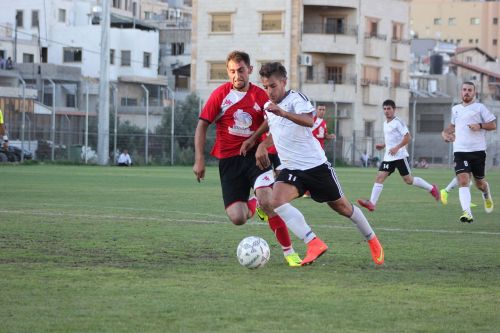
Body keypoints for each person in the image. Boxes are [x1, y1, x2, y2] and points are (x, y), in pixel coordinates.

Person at [247, 62, 384, 266]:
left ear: (283, 82)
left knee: (343, 208)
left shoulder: (296, 98)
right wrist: (259, 143)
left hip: (316, 167)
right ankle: (313, 243)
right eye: (265, 87)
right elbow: (272, 124)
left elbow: (309, 120)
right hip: (291, 169)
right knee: (276, 201)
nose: (269, 91)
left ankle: (372, 240)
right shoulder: (269, 107)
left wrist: (283, 112)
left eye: (273, 86)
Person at [193, 51, 301, 267]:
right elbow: (202, 125)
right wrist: (199, 159)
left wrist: (256, 141)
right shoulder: (220, 95)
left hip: (255, 158)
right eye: (232, 71)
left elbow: (274, 123)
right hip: (229, 161)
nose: (237, 75)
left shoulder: (260, 96)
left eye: (241, 70)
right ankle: (255, 204)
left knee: (269, 201)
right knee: (238, 217)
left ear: (249, 70)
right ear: (228, 72)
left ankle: (290, 253)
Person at [357, 99, 440, 212]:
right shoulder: (385, 123)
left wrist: (397, 147)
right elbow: (392, 139)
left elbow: (407, 137)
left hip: (400, 156)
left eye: (389, 109)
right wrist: (383, 145)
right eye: (385, 109)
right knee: (380, 177)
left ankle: (431, 188)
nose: (386, 111)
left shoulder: (398, 122)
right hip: (389, 156)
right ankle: (372, 203)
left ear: (394, 109)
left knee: (408, 180)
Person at [441, 81, 496, 223]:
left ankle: (486, 193)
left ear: (474, 92)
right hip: (460, 150)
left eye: (469, 90)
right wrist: (445, 134)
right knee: (463, 180)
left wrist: (480, 125)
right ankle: (467, 213)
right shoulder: (456, 109)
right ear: (461, 92)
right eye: (464, 90)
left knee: (479, 183)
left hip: (477, 151)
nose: (466, 92)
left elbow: (493, 124)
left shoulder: (480, 108)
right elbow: (452, 126)